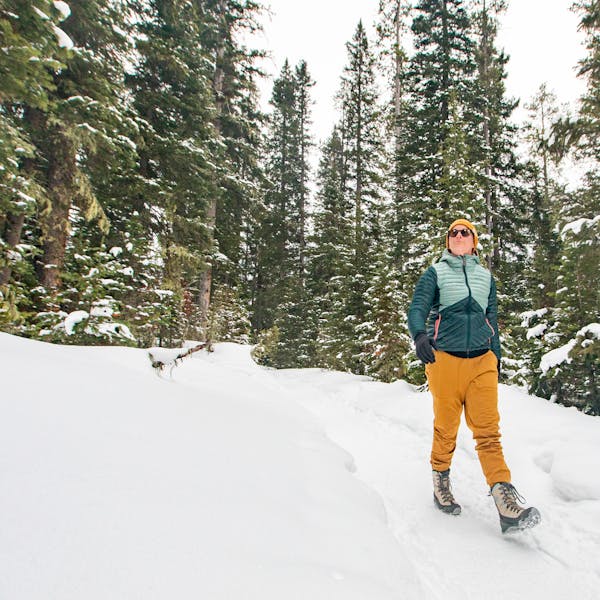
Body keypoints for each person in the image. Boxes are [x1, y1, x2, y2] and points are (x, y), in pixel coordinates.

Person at [407, 218, 541, 534]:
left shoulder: (485, 277)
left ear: (474, 241)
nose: (457, 235)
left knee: (488, 432)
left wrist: (496, 357)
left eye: (464, 231)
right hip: (446, 362)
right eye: (452, 232)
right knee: (446, 428)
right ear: (447, 242)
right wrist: (420, 336)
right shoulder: (435, 273)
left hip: (482, 361)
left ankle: (506, 503)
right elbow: (417, 309)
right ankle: (441, 481)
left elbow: (491, 318)